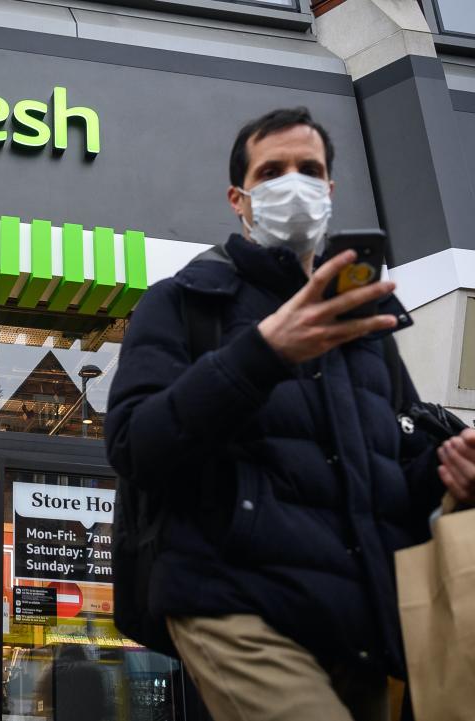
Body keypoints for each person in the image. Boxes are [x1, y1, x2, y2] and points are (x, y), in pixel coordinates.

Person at [105, 107, 475, 721]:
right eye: (272, 170)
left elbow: (390, 482)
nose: (294, 184)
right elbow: (136, 444)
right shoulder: (185, 302)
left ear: (329, 191)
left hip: (359, 626)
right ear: (239, 198)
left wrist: (450, 472)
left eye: (310, 169)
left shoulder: (367, 331)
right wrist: (264, 354)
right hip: (233, 605)